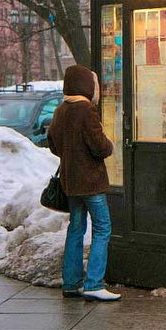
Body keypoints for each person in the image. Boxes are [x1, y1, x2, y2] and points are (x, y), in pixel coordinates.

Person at [47, 65, 120, 302]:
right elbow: (99, 146)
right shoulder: (86, 110)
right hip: (91, 182)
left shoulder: (60, 111)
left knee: (76, 229)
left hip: (71, 183)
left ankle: (71, 283)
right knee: (102, 228)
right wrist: (109, 144)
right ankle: (94, 283)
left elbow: (53, 145)